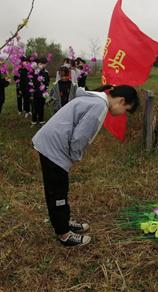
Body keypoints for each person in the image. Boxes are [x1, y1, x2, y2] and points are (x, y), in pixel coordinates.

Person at [32, 84, 139, 246]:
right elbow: (79, 138)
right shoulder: (99, 106)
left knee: (61, 187)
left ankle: (64, 222)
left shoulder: (95, 100)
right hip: (54, 147)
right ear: (121, 101)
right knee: (57, 192)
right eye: (127, 110)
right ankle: (65, 235)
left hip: (54, 143)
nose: (123, 114)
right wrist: (73, 158)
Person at [30, 57, 50, 127]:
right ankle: (34, 120)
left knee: (41, 107)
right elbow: (30, 83)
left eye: (43, 64)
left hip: (42, 93)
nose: (41, 65)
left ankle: (41, 120)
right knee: (34, 108)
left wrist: (46, 94)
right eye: (40, 64)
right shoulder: (32, 73)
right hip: (35, 93)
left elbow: (46, 84)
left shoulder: (44, 73)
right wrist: (31, 94)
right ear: (37, 64)